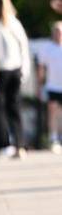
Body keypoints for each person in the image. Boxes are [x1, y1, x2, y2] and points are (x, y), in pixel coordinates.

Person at [0, 0, 30, 158]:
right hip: (15, 70)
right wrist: (24, 70)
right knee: (14, 108)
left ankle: (3, 144)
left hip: (2, 70)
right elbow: (23, 48)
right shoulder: (14, 24)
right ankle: (19, 144)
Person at [37, 22, 62, 153]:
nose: (59, 34)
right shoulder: (47, 48)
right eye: (57, 31)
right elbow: (41, 68)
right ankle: (54, 138)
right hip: (53, 85)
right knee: (52, 111)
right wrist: (39, 85)